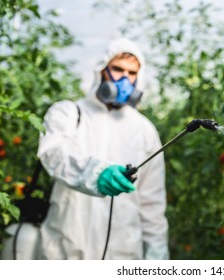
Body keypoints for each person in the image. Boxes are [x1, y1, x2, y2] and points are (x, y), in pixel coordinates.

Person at [36, 38, 169, 260]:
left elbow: (152, 204)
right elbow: (55, 154)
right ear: (101, 71)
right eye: (117, 69)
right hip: (65, 248)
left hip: (123, 253)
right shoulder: (68, 113)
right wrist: (96, 174)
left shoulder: (144, 130)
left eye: (132, 73)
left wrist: (157, 259)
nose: (125, 79)